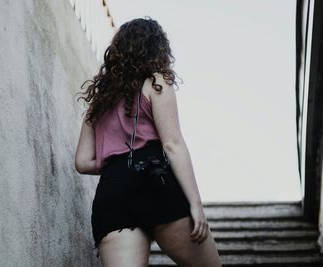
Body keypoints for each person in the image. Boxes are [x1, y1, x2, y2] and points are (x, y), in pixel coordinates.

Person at [75, 16, 222, 267]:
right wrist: (196, 204)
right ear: (157, 49)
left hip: (113, 191)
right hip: (156, 182)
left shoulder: (99, 101)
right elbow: (172, 144)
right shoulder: (156, 83)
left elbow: (82, 162)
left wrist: (116, 160)